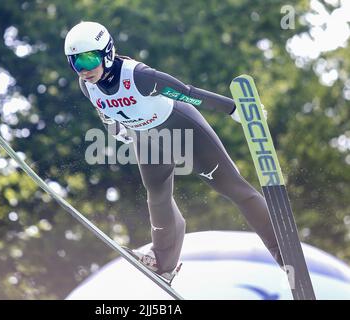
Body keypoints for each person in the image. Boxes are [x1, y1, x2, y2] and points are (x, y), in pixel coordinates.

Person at [64, 21, 283, 282]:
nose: (84, 70)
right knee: (157, 196)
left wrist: (235, 110)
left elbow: (187, 93)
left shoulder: (139, 76)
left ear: (107, 53)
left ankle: (283, 252)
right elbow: (103, 110)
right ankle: (164, 262)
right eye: (75, 63)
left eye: (89, 60)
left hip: (181, 129)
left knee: (232, 188)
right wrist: (116, 129)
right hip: (146, 139)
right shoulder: (86, 85)